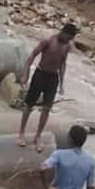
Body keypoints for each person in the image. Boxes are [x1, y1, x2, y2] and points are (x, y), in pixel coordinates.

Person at [17, 22, 77, 153]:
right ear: (63, 32)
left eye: (71, 39)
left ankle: (38, 136)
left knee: (47, 108)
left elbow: (62, 64)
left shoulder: (67, 46)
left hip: (53, 77)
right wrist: (25, 74)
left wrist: (62, 83)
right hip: (40, 74)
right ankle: (21, 133)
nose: (68, 41)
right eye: (68, 38)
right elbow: (32, 55)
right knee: (29, 105)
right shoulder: (48, 41)